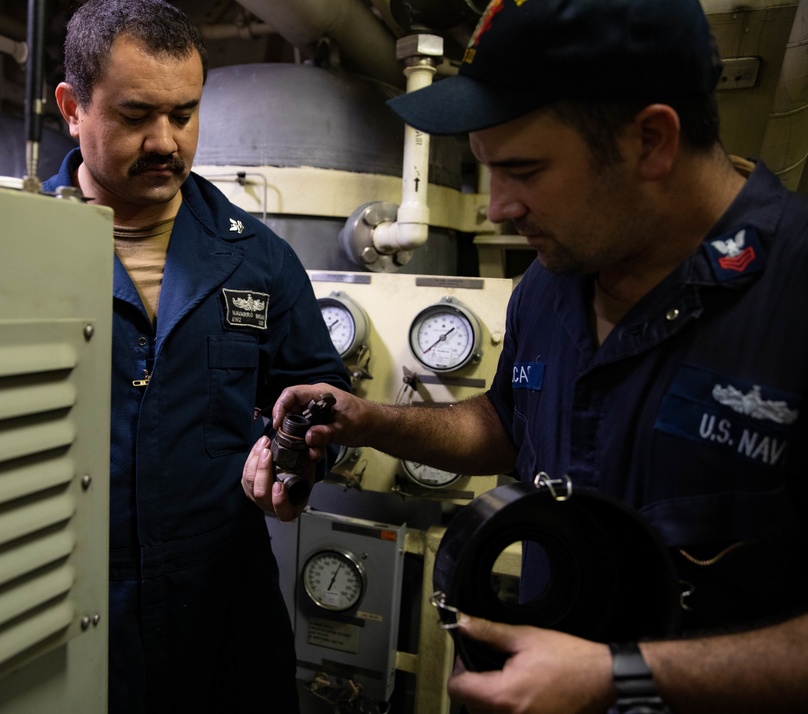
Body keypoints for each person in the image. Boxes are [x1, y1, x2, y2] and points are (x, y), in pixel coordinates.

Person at [245, 0, 808, 711]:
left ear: (653, 141)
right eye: (486, 171)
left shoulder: (791, 291)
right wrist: (367, 421)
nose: (500, 207)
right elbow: (509, 425)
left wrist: (618, 679)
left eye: (524, 169)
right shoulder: (549, 284)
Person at [44, 2, 351, 712]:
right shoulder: (10, 249)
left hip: (223, 615)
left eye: (184, 114)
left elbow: (320, 394)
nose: (165, 141)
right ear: (72, 108)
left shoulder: (258, 259)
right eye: (135, 115)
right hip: (71, 606)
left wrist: (299, 453)